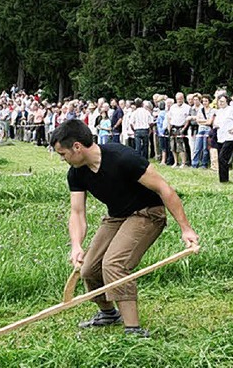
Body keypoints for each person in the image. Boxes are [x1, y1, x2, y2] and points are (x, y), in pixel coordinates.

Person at [50, 119, 199, 337]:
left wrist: (186, 229)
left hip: (148, 213)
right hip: (117, 216)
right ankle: (109, 314)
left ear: (77, 147)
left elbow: (164, 189)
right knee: (89, 268)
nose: (62, 159)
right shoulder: (76, 172)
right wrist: (76, 245)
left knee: (114, 263)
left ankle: (133, 330)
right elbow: (77, 212)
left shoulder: (122, 158)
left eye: (62, 154)